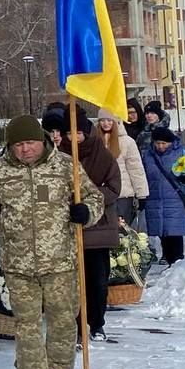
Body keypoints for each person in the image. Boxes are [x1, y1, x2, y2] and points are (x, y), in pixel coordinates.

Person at [0, 115, 103, 369]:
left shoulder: (65, 165)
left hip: (60, 262)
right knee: (26, 326)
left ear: (42, 141)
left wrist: (85, 212)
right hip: (18, 265)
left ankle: (61, 368)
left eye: (30, 143)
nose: (25, 149)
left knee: (63, 319)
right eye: (19, 145)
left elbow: (94, 198)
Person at [57, 108, 120, 342]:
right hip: (69, 228)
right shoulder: (58, 156)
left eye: (79, 132)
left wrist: (88, 199)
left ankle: (97, 322)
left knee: (97, 279)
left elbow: (114, 187)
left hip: (98, 228)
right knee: (73, 281)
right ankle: (77, 323)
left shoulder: (102, 155)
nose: (75, 137)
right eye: (69, 133)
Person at [142, 126, 185, 264]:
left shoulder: (181, 153)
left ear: (170, 142)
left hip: (175, 198)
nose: (160, 146)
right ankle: (167, 258)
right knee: (162, 231)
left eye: (164, 143)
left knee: (174, 231)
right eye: (157, 143)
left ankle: (177, 260)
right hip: (155, 198)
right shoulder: (148, 155)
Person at [97, 109, 149, 227]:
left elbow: (136, 169)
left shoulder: (127, 142)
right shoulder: (95, 141)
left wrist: (141, 194)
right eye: (102, 120)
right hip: (101, 193)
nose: (106, 123)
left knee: (123, 231)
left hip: (123, 194)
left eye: (110, 120)